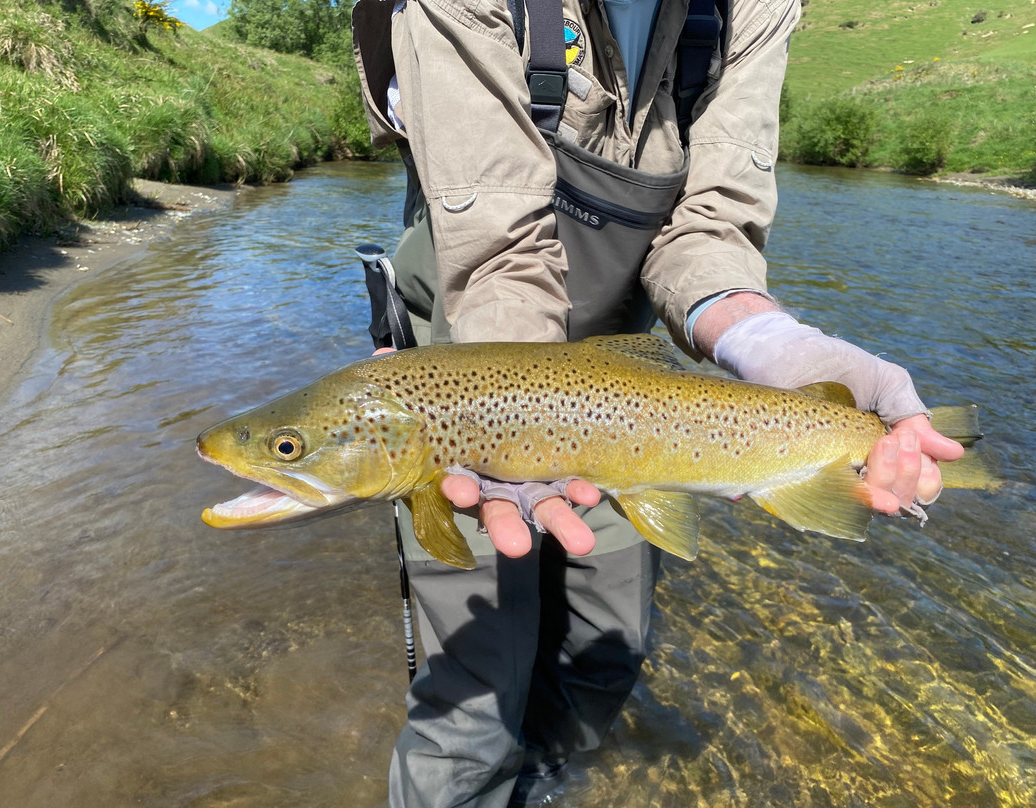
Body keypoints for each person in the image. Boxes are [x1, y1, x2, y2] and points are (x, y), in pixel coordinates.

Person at [351, 0, 963, 805]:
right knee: (473, 697)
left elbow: (707, 227)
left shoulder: (756, 7)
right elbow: (502, 249)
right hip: (464, 384)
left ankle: (542, 790)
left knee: (607, 653)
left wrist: (770, 343)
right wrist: (520, 403)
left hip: (634, 392)